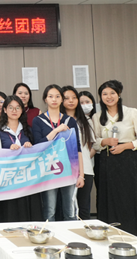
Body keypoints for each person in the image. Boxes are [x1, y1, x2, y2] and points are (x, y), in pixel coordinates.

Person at [92, 80, 137, 239]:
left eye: (112, 93)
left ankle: (134, 235)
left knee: (130, 199)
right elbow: (94, 143)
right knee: (109, 200)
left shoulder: (132, 113)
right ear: (100, 97)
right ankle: (109, 237)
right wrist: (104, 141)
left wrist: (126, 146)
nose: (109, 97)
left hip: (128, 161)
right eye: (104, 94)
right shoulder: (97, 116)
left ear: (119, 94)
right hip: (107, 163)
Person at [31, 84, 84, 222]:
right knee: (50, 212)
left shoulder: (70, 121)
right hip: (48, 171)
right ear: (45, 99)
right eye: (50, 96)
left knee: (70, 212)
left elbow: (77, 149)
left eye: (57, 96)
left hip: (69, 170)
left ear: (62, 99)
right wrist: (56, 131)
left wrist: (81, 175)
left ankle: (71, 236)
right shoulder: (38, 120)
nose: (54, 99)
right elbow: (38, 145)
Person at [0, 96, 41, 223]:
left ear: (22, 110)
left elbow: (39, 151)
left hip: (27, 179)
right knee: (10, 214)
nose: (14, 111)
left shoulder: (28, 130)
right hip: (8, 180)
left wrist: (30, 147)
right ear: (5, 110)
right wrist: (8, 149)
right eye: (10, 107)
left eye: (17, 108)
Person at [61, 86, 95, 220]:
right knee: (66, 208)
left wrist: (80, 162)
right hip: (64, 170)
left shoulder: (86, 121)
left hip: (85, 169)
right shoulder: (59, 121)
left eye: (74, 98)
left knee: (83, 207)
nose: (71, 101)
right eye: (66, 98)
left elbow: (91, 146)